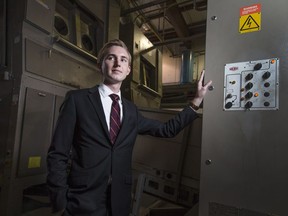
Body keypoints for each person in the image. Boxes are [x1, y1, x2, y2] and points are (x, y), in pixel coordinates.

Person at [46, 39, 212, 216]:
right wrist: (60, 202)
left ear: (128, 70)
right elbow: (57, 154)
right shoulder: (77, 100)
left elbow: (166, 130)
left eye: (124, 60)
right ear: (100, 65)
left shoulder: (131, 111)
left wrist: (196, 101)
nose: (118, 63)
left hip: (119, 201)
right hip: (81, 201)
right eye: (111, 58)